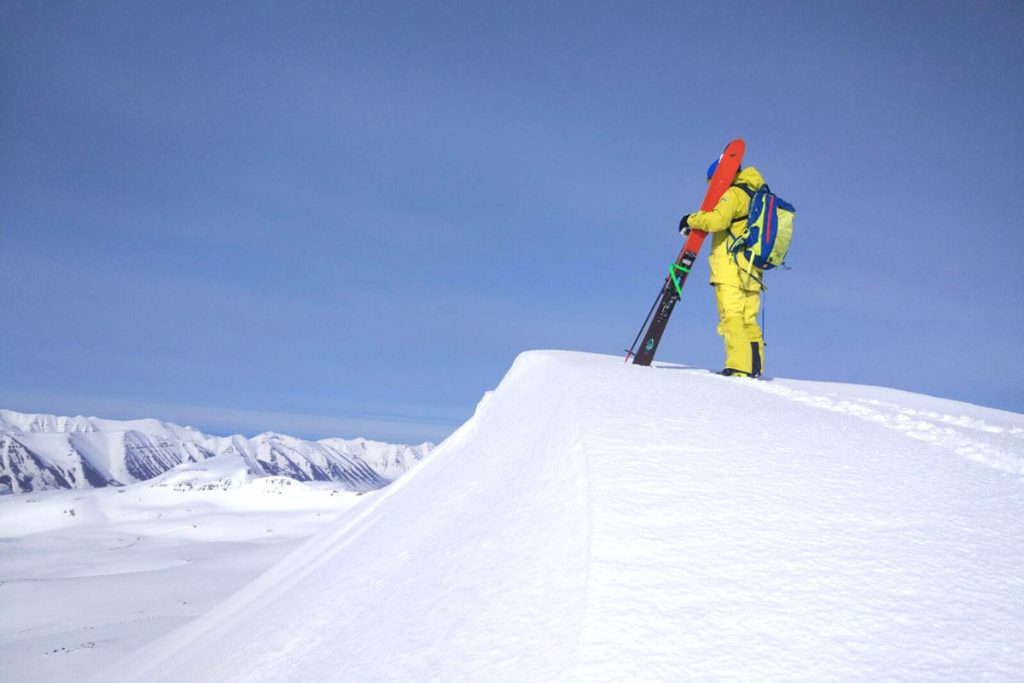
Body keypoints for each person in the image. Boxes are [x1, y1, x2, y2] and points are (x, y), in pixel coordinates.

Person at [678, 160, 766, 378]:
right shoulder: (756, 195)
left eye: (711, 182)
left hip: (730, 267)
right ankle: (754, 367)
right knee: (749, 320)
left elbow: (718, 220)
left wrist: (690, 219)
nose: (711, 188)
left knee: (731, 316)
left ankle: (738, 367)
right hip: (752, 269)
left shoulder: (733, 194)